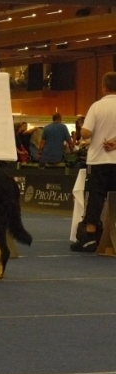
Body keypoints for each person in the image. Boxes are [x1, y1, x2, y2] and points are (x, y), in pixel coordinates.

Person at [70, 72, 116, 252]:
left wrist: (85, 129)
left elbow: (86, 133)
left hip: (99, 160)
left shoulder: (97, 107)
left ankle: (89, 236)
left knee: (96, 197)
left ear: (104, 87)